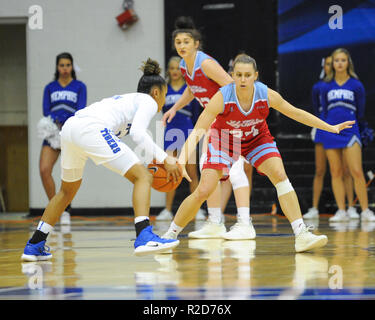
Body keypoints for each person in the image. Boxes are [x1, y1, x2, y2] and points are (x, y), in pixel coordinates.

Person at [163, 54, 355, 252]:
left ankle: (301, 234)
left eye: (247, 75)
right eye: (238, 75)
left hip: (256, 138)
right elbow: (199, 130)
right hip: (224, 140)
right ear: (232, 75)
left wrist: (330, 127)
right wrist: (182, 159)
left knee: (280, 175)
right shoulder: (222, 97)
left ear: (255, 75)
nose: (243, 79)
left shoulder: (265, 94)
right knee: (204, 189)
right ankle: (169, 235)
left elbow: (296, 112)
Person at [21, 58, 181, 261]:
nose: (163, 102)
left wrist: (160, 158)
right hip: (91, 128)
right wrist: (165, 158)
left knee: (66, 191)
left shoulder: (129, 101)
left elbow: (142, 138)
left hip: (71, 129)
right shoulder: (148, 101)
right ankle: (144, 235)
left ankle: (35, 243)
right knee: (143, 177)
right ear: (156, 92)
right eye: (164, 96)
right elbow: (139, 135)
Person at [162, 17, 254, 240]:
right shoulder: (185, 66)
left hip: (227, 118)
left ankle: (245, 223)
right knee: (208, 169)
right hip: (212, 120)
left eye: (186, 42)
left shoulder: (206, 64)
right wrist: (174, 107)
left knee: (233, 170)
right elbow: (192, 90)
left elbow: (233, 87)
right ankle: (215, 222)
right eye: (178, 42)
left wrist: (242, 117)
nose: (182, 46)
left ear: (196, 44)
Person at [319, 48, 375, 222]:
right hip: (331, 131)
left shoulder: (356, 85)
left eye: (343, 60)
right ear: (332, 63)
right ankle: (341, 210)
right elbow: (323, 109)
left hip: (351, 131)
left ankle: (365, 211)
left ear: (348, 62)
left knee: (356, 171)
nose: (340, 63)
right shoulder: (325, 86)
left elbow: (360, 111)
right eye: (337, 60)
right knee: (335, 172)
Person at [304, 55, 358, 220]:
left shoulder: (342, 85)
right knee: (320, 169)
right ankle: (314, 207)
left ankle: (351, 207)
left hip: (340, 127)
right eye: (327, 64)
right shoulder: (319, 86)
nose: (329, 67)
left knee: (347, 170)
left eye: (331, 63)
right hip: (323, 127)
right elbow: (316, 108)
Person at [39, 52, 87, 225]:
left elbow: (81, 109)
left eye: (68, 65)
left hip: (70, 133)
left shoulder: (80, 86)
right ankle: (57, 208)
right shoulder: (50, 87)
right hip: (52, 132)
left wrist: (66, 122)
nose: (65, 69)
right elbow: (46, 110)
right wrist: (56, 121)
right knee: (44, 170)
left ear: (72, 67)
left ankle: (65, 209)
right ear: (57, 67)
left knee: (68, 174)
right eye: (62, 65)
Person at [156, 56, 206, 221]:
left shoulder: (189, 88)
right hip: (170, 132)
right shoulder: (165, 89)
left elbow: (197, 113)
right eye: (172, 68)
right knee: (170, 172)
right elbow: (163, 112)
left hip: (187, 131)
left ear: (182, 70)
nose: (175, 71)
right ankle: (167, 210)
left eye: (178, 68)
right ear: (168, 70)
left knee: (192, 172)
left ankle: (197, 209)